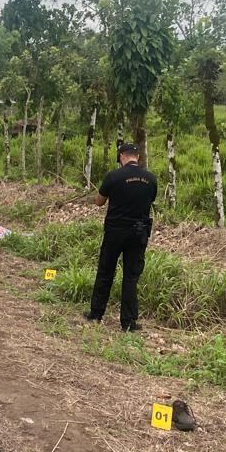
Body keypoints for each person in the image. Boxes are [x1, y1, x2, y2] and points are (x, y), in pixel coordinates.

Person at [87, 142, 157, 332]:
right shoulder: (151, 178)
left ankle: (96, 314)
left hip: (115, 232)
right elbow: (150, 200)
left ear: (120, 157)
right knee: (131, 277)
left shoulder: (113, 176)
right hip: (139, 233)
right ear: (138, 157)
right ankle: (128, 322)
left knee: (105, 271)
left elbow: (99, 202)